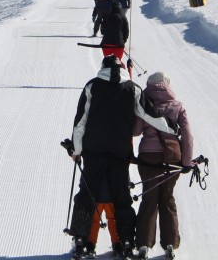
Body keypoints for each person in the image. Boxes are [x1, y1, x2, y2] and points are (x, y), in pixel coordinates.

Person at [66, 55, 178, 259]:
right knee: (122, 197)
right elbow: (149, 114)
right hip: (120, 153)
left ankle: (81, 240)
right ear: (122, 68)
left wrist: (76, 149)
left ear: (103, 67)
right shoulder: (132, 89)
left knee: (87, 194)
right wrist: (171, 127)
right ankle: (126, 241)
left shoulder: (92, 86)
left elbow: (80, 121)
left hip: (93, 152)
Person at [132, 72, 195, 260]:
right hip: (172, 157)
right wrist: (187, 163)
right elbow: (188, 136)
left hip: (148, 157)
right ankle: (170, 244)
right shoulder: (178, 106)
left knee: (149, 197)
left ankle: (143, 244)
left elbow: (136, 131)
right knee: (167, 198)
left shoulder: (144, 104)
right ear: (167, 85)